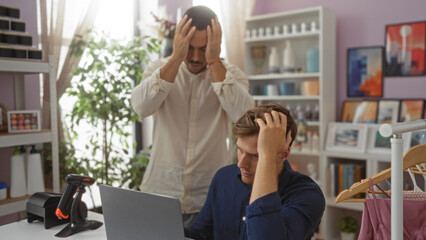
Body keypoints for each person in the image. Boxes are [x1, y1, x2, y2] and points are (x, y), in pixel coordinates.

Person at [131, 6, 254, 227]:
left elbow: (244, 116)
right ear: (179, 40)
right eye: (189, 47)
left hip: (209, 200)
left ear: (216, 44)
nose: (196, 57)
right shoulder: (159, 68)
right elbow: (141, 107)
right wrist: (177, 57)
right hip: (160, 194)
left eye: (204, 48)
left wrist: (215, 61)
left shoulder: (231, 75)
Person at [185, 103, 325, 240]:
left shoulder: (307, 195)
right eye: (239, 150)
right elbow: (201, 233)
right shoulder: (223, 177)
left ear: (283, 155)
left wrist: (267, 155)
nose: (241, 164)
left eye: (256, 155)